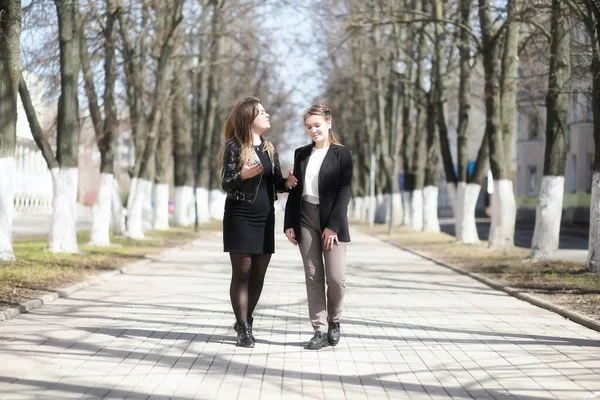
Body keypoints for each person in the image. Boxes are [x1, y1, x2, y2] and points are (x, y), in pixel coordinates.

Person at [219, 96, 295, 348]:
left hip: (265, 218)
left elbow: (275, 183)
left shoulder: (269, 147)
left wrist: (288, 183)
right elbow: (226, 183)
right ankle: (243, 327)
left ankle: (246, 319)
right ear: (248, 119)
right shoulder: (234, 146)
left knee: (259, 274)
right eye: (261, 112)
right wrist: (243, 174)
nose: (267, 115)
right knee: (242, 272)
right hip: (240, 216)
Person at [284, 104, 352, 350]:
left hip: (332, 219)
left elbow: (344, 191)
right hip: (305, 217)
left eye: (317, 125)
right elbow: (294, 190)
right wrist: (289, 223)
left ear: (328, 123)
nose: (314, 131)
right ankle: (319, 330)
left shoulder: (342, 154)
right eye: (309, 127)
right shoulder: (301, 154)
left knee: (336, 278)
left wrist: (333, 226)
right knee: (313, 277)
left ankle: (335, 321)